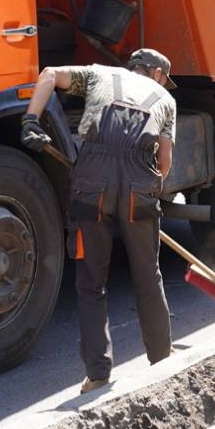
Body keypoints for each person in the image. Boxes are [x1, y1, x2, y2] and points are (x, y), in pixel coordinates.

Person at [18, 48, 177, 395]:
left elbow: (48, 74)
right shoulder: (165, 98)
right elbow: (164, 162)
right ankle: (163, 363)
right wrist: (150, 191)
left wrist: (32, 119)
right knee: (148, 276)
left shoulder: (98, 74)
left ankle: (98, 374)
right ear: (156, 74)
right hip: (139, 183)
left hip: (93, 180)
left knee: (91, 282)